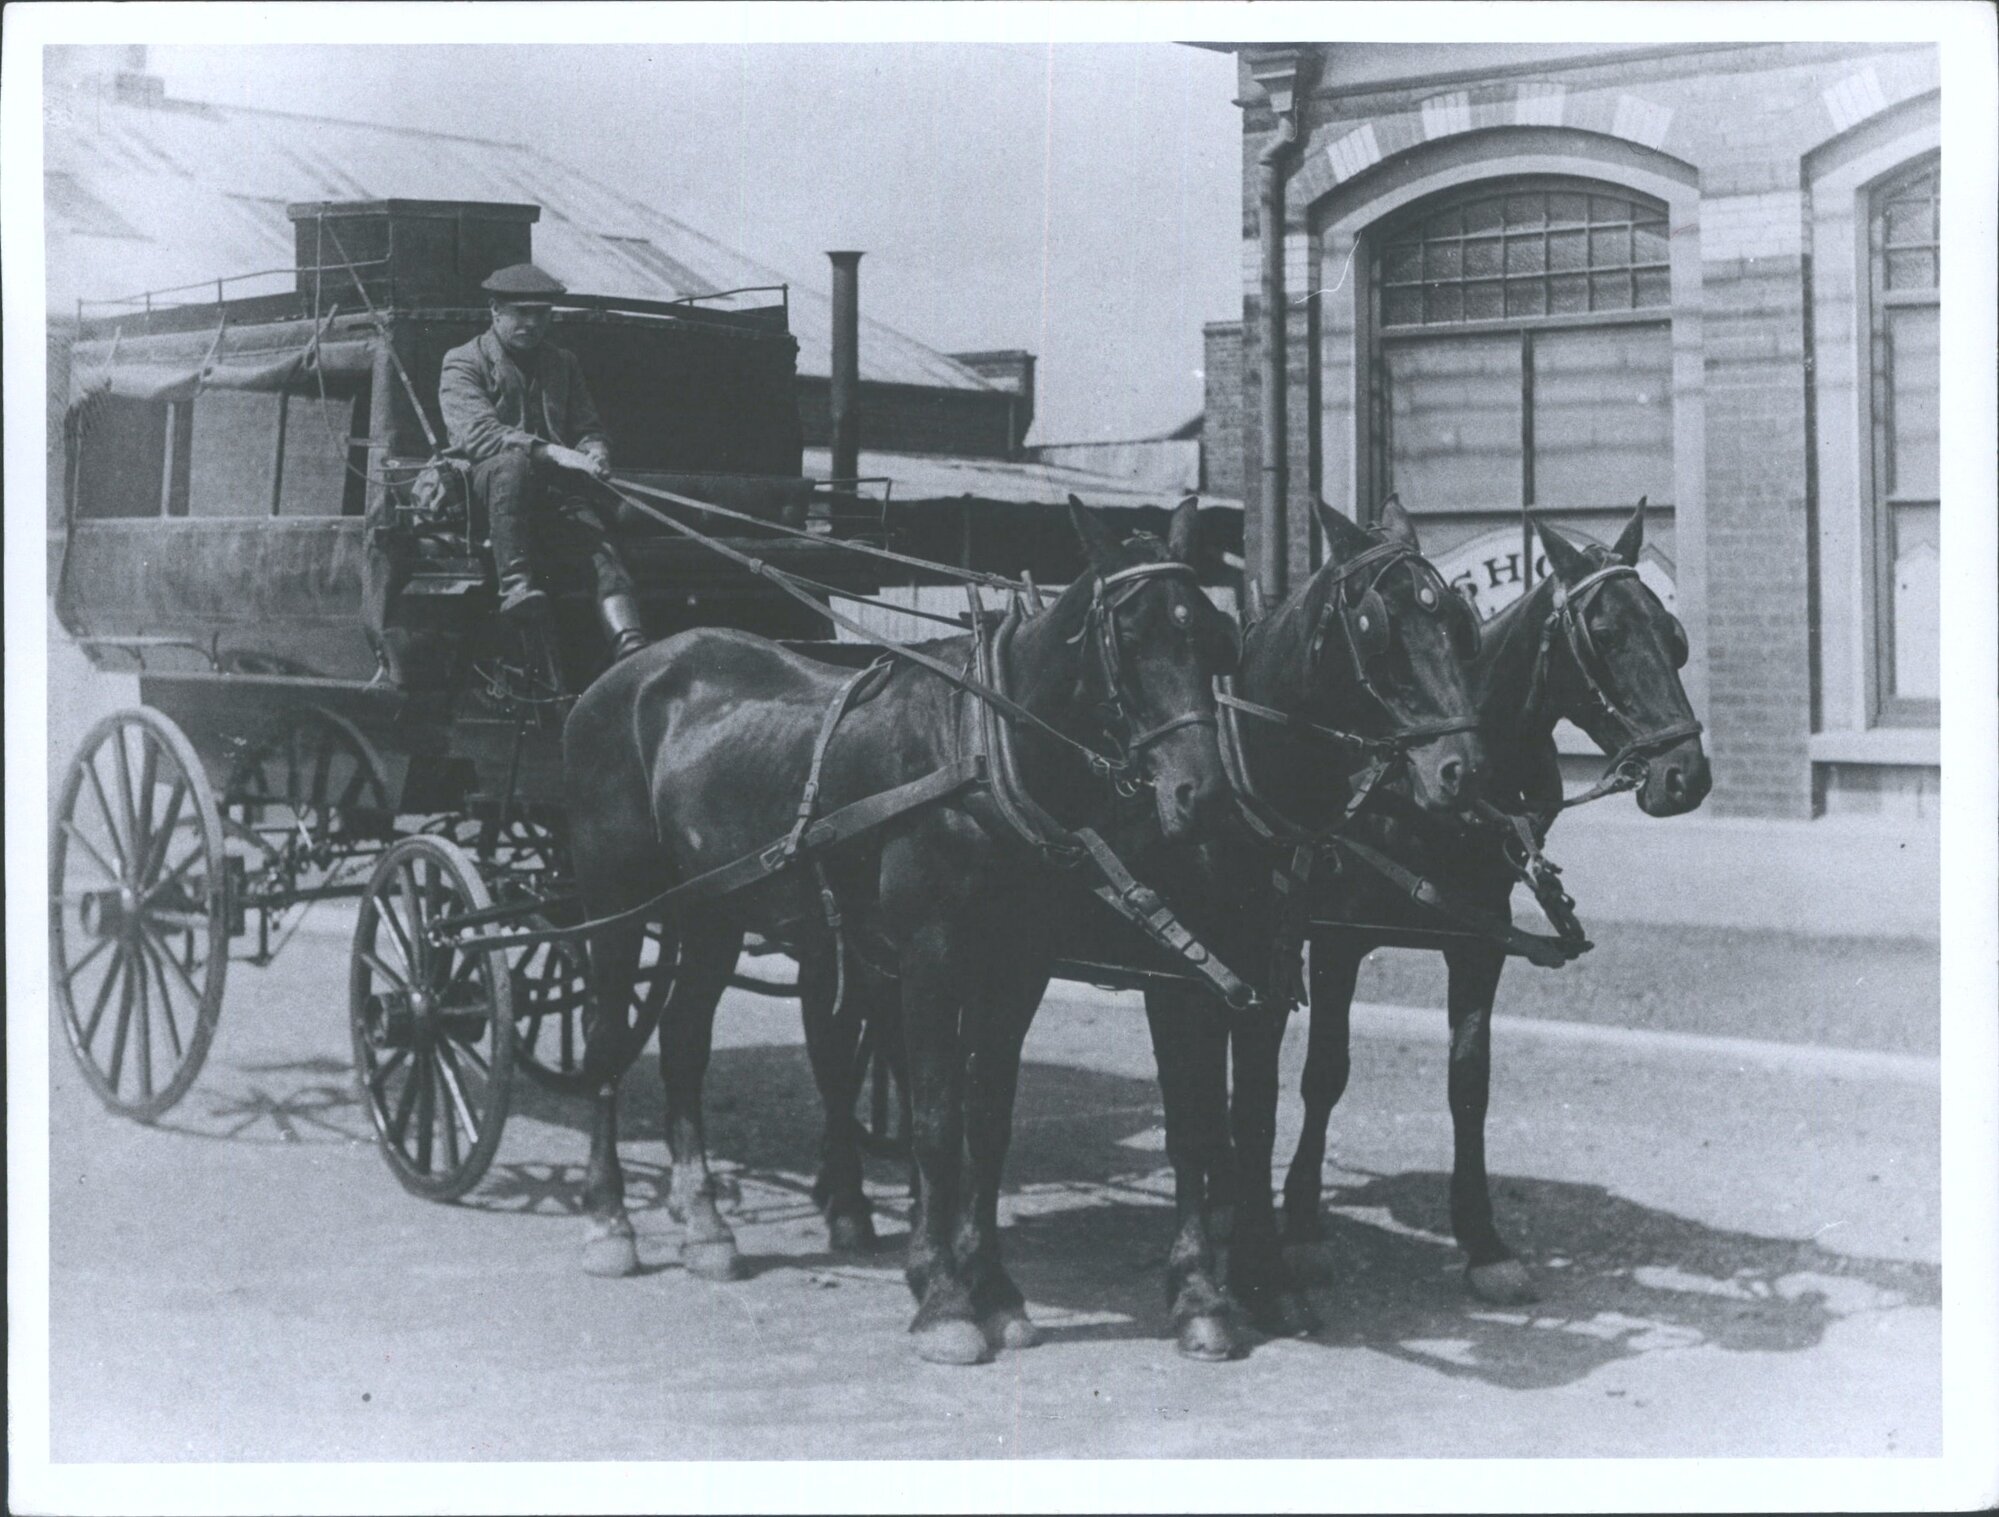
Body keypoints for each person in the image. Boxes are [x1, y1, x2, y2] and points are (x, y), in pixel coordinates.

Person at [438, 263, 647, 661]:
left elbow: (589, 427)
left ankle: (632, 650)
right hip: (486, 489)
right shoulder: (463, 361)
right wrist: (554, 452)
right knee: (511, 465)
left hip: (554, 490)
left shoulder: (562, 362)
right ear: (495, 311)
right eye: (522, 312)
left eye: (542, 314)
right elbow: (480, 436)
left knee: (603, 555)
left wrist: (594, 451)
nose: (532, 323)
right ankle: (517, 588)